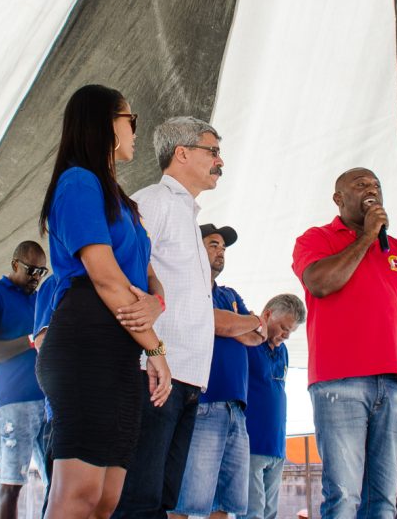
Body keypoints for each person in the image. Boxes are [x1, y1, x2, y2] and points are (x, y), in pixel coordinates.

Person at [35, 84, 171, 519]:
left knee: (106, 499)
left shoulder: (122, 200)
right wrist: (156, 349)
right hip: (86, 338)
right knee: (78, 495)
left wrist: (156, 302)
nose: (135, 130)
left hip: (120, 345)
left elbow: (145, 274)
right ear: (104, 123)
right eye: (131, 119)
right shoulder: (78, 182)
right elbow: (107, 279)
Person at [292, 168, 397, 518]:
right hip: (339, 383)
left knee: (383, 499)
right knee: (344, 494)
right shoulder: (316, 238)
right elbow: (320, 283)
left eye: (376, 185)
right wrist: (366, 238)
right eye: (361, 184)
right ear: (339, 199)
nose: (371, 189)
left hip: (393, 386)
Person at [115, 116, 224, 518]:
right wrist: (152, 352)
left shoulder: (188, 217)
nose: (220, 162)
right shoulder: (154, 202)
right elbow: (126, 272)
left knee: (161, 500)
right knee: (137, 499)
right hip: (157, 374)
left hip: (189, 379)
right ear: (182, 153)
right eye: (212, 151)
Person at [172, 224, 264, 518]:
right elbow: (221, 322)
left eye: (223, 247)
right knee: (186, 499)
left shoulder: (229, 293)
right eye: (213, 244)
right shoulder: (183, 285)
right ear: (195, 248)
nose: (221, 251)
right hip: (202, 404)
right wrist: (239, 322)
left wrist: (236, 323)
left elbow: (258, 333)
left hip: (236, 408)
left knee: (228, 502)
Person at [0, 240, 50, 519]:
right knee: (12, 484)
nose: (36, 278)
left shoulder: (39, 299)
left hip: (47, 402)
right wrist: (29, 341)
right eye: (30, 270)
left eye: (42, 272)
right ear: (15, 264)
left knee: (58, 482)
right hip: (12, 404)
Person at [244, 293, 306, 519]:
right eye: (283, 327)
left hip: (277, 447)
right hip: (250, 445)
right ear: (268, 315)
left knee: (269, 513)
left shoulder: (283, 350)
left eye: (291, 331)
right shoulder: (246, 341)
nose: (286, 335)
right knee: (252, 513)